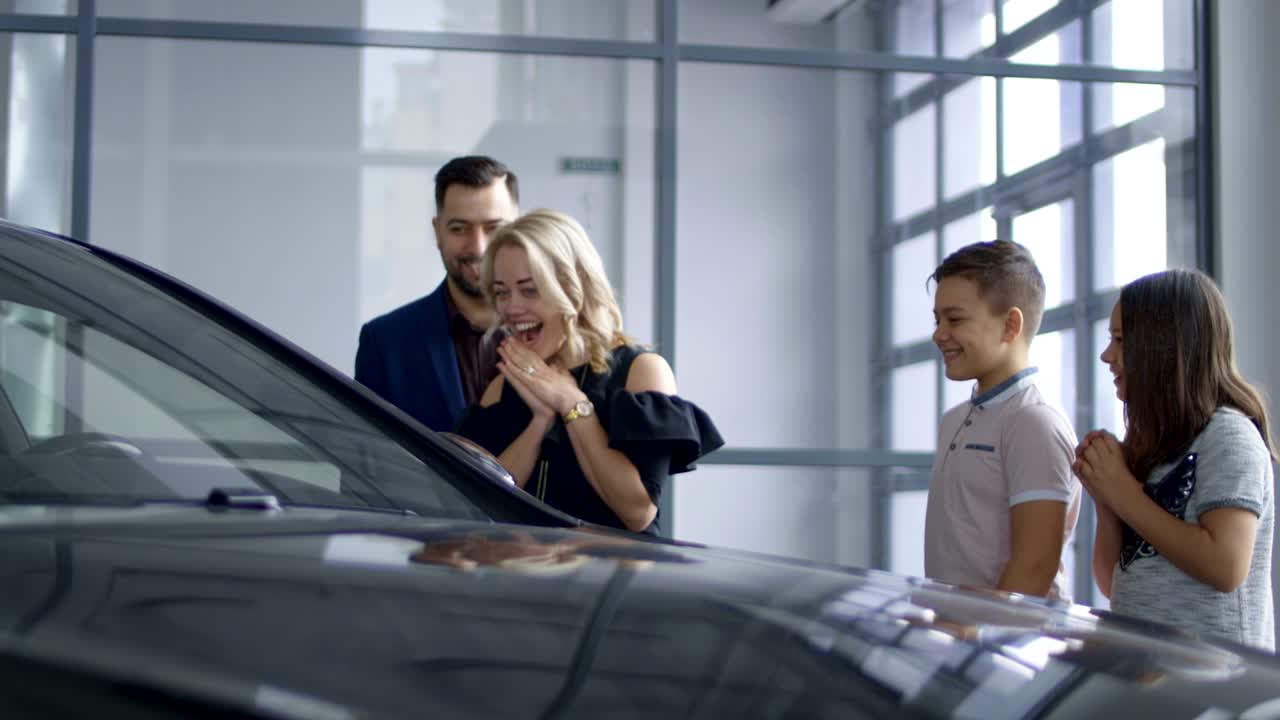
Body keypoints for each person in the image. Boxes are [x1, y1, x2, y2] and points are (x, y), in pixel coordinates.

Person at [454, 209, 723, 535]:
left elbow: (637, 512)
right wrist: (539, 424)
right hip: (521, 580)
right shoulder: (502, 385)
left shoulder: (640, 372)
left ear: (574, 286)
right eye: (501, 292)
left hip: (611, 581)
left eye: (530, 290)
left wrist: (572, 406)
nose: (511, 308)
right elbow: (475, 503)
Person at [1074, 269, 1275, 650]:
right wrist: (1105, 500)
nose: (1106, 356)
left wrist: (1123, 494)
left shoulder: (1228, 436)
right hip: (1146, 673)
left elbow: (1226, 566)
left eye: (1119, 340)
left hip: (1216, 688)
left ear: (1163, 346)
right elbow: (1110, 581)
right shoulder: (1149, 444)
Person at [923, 240, 1081, 600]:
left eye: (955, 319)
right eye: (937, 319)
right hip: (962, 641)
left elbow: (1034, 568)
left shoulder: (1034, 423)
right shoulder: (953, 420)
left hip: (1008, 647)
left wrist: (978, 638)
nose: (938, 334)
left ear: (1011, 325)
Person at [355, 156, 519, 432]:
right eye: (459, 229)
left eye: (494, 228)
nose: (478, 247)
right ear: (437, 231)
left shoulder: (555, 334)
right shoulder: (385, 342)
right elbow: (364, 462)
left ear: (518, 230)